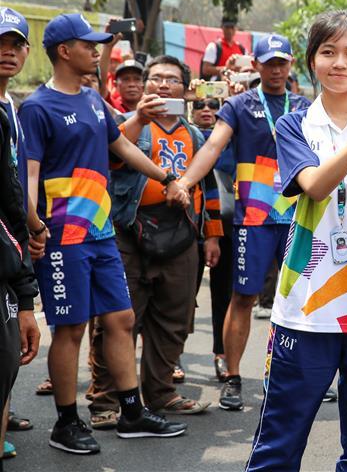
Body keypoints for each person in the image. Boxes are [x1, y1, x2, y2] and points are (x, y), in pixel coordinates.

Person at [244, 11, 347, 470]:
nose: (340, 63)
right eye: (329, 52)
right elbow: (315, 186)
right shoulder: (294, 126)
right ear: (311, 61)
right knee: (279, 444)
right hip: (307, 308)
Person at [18, 13, 189, 454]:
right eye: (88, 44)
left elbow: (124, 147)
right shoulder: (38, 107)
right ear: (63, 51)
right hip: (63, 237)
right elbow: (29, 175)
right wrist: (34, 227)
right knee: (71, 328)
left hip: (101, 232)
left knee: (121, 319)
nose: (96, 51)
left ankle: (132, 412)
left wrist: (166, 178)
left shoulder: (94, 99)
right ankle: (66, 422)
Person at [169, 33, 310, 411]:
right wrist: (184, 181)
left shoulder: (305, 106)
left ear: (291, 64)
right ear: (257, 65)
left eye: (283, 62)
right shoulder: (238, 105)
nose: (277, 69)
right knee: (244, 297)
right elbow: (212, 147)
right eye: (269, 62)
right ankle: (232, 377)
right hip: (254, 218)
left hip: (300, 215)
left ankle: (297, 375)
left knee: (299, 299)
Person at [88, 55, 223, 425]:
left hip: (180, 234)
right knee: (117, 319)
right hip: (129, 232)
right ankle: (106, 402)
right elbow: (111, 157)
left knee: (173, 320)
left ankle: (161, 394)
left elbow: (207, 189)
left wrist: (212, 236)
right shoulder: (127, 124)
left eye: (172, 80)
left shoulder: (196, 134)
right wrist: (139, 119)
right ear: (145, 86)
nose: (163, 85)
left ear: (186, 89)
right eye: (156, 79)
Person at [0, 7, 41, 469]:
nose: (7, 52)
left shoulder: (14, 105)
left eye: (15, 44)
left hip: (11, 247)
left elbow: (13, 179)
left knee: (10, 348)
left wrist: (32, 224)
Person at [190, 96, 234, 382]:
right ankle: (170, 360)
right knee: (180, 298)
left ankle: (222, 353)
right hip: (188, 227)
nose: (207, 109)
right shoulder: (183, 133)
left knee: (225, 296)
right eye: (199, 104)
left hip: (228, 225)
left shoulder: (232, 134)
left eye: (215, 104)